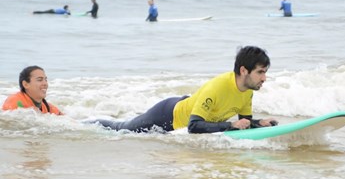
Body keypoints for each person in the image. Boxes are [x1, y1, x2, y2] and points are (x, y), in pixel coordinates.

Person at [93, 46, 278, 134]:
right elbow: (193, 126)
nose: (264, 78)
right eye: (260, 72)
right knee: (121, 128)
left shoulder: (247, 91)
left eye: (265, 72)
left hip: (187, 105)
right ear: (244, 71)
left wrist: (259, 123)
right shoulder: (217, 87)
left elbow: (244, 122)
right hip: (167, 115)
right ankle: (85, 122)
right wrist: (229, 126)